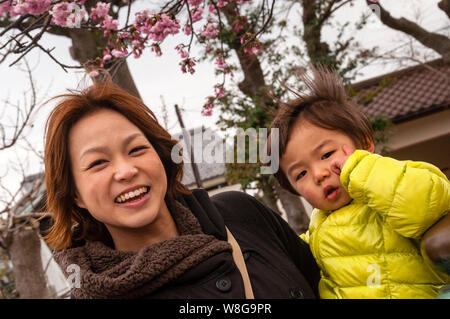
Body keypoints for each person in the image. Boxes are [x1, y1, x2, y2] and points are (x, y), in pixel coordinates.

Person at [42, 80, 320, 299]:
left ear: (161, 156)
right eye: (98, 163)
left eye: (137, 149)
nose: (126, 171)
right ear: (75, 194)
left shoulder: (241, 214)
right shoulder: (94, 289)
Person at [268, 65, 450, 299]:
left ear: (364, 143)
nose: (319, 174)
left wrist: (361, 168)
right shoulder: (316, 232)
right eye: (301, 174)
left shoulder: (389, 183)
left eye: (326, 155)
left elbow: (427, 205)